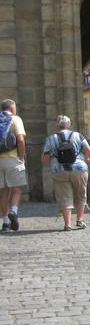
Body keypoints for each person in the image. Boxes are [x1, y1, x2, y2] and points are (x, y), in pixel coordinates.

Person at [42, 116, 90, 231]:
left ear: (57, 126)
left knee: (64, 197)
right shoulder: (78, 135)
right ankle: (80, 220)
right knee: (81, 194)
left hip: (59, 171)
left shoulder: (51, 138)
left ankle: (67, 224)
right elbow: (88, 151)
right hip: (79, 169)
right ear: (68, 125)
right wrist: (87, 159)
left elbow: (45, 158)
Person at [0, 99, 26, 231]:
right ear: (12, 108)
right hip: (12, 158)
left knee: (3, 191)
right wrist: (21, 156)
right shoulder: (15, 119)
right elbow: (20, 139)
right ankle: (14, 212)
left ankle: (5, 222)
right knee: (16, 189)